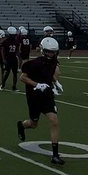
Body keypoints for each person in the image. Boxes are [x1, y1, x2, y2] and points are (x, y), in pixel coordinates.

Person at [17, 35, 64, 165]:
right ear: (43, 50)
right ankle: (21, 125)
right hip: (34, 96)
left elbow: (49, 74)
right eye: (49, 51)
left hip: (47, 95)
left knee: (54, 121)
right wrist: (37, 85)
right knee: (33, 124)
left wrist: (56, 82)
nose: (51, 54)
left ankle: (55, 155)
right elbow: (22, 78)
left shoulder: (53, 62)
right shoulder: (34, 63)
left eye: (53, 52)